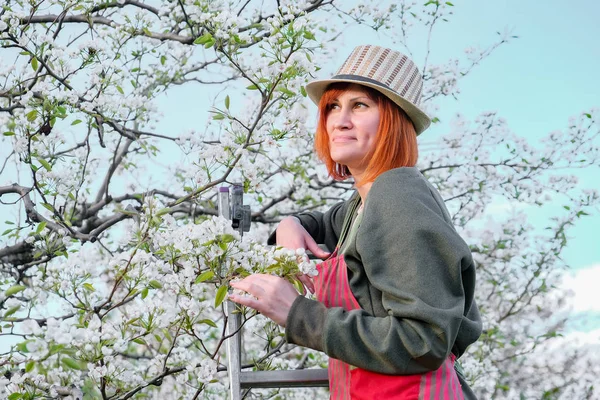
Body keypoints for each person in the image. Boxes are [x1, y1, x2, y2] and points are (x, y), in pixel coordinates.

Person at [228, 45, 482, 399]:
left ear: (393, 119)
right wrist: (291, 225)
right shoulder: (361, 205)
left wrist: (298, 314)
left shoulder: (398, 196)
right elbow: (321, 224)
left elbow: (423, 340)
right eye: (333, 106)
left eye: (359, 105)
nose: (339, 120)